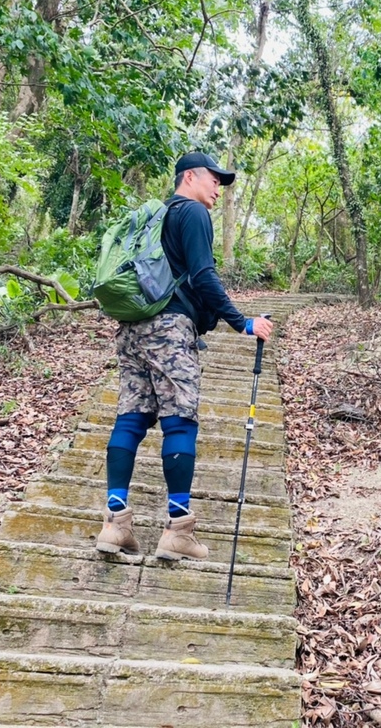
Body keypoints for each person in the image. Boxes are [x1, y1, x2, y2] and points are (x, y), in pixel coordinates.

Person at [95, 151, 274, 560]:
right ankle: (178, 531)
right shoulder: (192, 214)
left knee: (132, 417)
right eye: (214, 179)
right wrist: (241, 322)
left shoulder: (156, 219)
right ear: (189, 177)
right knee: (179, 422)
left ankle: (115, 525)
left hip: (133, 330)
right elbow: (202, 274)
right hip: (171, 330)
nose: (218, 188)